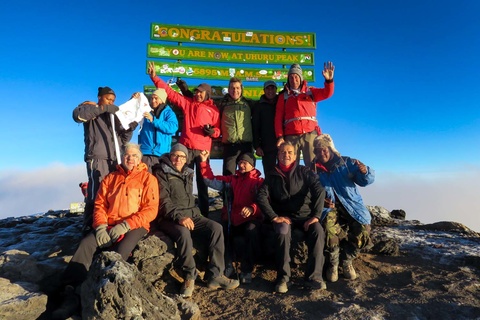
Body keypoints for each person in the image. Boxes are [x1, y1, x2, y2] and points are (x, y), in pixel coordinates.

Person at [52, 143, 159, 319]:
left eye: (134, 156)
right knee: (87, 244)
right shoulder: (111, 178)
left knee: (118, 254)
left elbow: (150, 210)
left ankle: (101, 293)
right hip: (108, 224)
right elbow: (100, 205)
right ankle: (70, 290)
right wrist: (101, 227)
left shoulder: (148, 179)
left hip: (135, 226)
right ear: (122, 157)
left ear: (140, 159)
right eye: (127, 155)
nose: (130, 158)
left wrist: (126, 225)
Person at [153, 143, 240, 298]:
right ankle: (189, 276)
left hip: (192, 214)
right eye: (175, 155)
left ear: (186, 159)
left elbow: (190, 199)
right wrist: (180, 218)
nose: (178, 159)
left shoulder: (187, 172)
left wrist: (197, 215)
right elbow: (163, 201)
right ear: (170, 155)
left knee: (216, 228)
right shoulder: (161, 172)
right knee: (184, 233)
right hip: (168, 217)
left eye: (182, 156)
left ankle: (215, 275)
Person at [148, 62, 220, 217]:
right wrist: (155, 78)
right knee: (183, 182)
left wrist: (212, 131)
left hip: (202, 152)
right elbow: (170, 93)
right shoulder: (188, 104)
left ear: (207, 94)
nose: (198, 94)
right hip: (186, 149)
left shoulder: (214, 110)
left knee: (203, 183)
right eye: (197, 92)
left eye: (201, 92)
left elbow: (219, 130)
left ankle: (203, 216)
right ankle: (185, 213)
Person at [257, 141, 327, 293]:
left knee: (318, 231)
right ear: (278, 155)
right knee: (282, 231)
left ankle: (314, 277)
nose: (286, 155)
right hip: (283, 218)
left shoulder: (304, 171)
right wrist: (274, 217)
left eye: (289, 152)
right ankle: (283, 277)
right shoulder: (272, 174)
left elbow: (319, 191)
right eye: (283, 152)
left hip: (305, 217)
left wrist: (316, 215)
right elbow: (261, 195)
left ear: (295, 155)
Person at [311, 134, 374, 282]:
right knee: (327, 227)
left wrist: (365, 172)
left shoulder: (346, 163)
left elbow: (364, 181)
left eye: (324, 149)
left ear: (331, 148)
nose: (321, 153)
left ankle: (347, 260)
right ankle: (333, 263)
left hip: (351, 205)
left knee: (363, 229)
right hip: (329, 208)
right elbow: (310, 191)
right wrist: (321, 201)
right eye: (318, 150)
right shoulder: (313, 169)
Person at [73, 86, 137, 234]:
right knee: (97, 190)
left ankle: (106, 221)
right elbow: (77, 116)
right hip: (97, 157)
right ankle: (89, 225)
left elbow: (122, 140)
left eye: (113, 100)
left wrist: (130, 128)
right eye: (108, 99)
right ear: (100, 97)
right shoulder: (90, 109)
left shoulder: (113, 117)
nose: (110, 102)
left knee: (112, 191)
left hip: (115, 158)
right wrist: (104, 109)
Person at [199, 150, 264, 284]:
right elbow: (210, 180)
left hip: (251, 219)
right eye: (239, 162)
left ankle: (246, 270)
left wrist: (253, 208)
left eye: (245, 162)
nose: (241, 165)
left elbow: (264, 201)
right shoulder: (232, 180)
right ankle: (227, 268)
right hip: (231, 219)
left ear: (252, 165)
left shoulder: (259, 182)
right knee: (221, 233)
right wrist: (204, 163)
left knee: (251, 232)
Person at [275, 62, 335, 167]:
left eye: (296, 77)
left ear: (301, 78)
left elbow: (327, 93)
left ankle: (313, 183)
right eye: (291, 77)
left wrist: (329, 80)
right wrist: (280, 136)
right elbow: (278, 118)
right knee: (290, 165)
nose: (294, 80)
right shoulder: (283, 96)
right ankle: (291, 183)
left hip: (310, 133)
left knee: (313, 165)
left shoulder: (310, 92)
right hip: (291, 136)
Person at [216, 77, 255, 176]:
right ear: (229, 90)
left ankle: (247, 192)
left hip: (246, 145)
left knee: (248, 175)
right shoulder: (222, 104)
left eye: (237, 88)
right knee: (229, 175)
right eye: (232, 88)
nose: (235, 90)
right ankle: (228, 192)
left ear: (241, 89)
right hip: (230, 145)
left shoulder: (249, 103)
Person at [133, 89, 178, 172]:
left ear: (162, 99)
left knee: (160, 182)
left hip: (162, 154)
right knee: (145, 181)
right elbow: (132, 111)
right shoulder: (145, 110)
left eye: (156, 98)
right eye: (152, 98)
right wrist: (134, 99)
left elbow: (173, 127)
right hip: (145, 153)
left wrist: (153, 120)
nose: (153, 100)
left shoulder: (169, 113)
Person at [252, 80, 279, 172]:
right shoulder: (258, 106)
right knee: (269, 174)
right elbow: (255, 127)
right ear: (264, 90)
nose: (270, 91)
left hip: (281, 144)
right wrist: (257, 146)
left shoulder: (281, 102)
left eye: (272, 88)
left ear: (276, 90)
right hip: (266, 146)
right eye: (268, 89)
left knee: (284, 174)